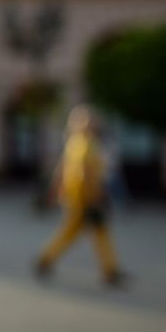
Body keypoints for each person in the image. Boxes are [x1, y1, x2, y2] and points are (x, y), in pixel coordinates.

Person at [34, 105, 130, 288]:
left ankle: (46, 259)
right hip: (84, 197)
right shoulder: (88, 144)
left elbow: (62, 169)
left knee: (86, 232)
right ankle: (109, 270)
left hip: (75, 196)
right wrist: (96, 195)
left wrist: (55, 189)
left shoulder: (74, 142)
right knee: (86, 232)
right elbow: (85, 173)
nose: (91, 125)